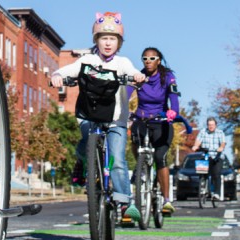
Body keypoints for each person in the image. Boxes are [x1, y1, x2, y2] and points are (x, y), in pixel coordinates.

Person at [51, 13, 146, 225]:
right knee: (85, 144)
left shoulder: (122, 63)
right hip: (89, 116)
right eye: (103, 38)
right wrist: (57, 75)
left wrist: (137, 76)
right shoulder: (87, 60)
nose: (108, 43)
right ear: (96, 40)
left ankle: (124, 202)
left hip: (115, 121)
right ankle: (83, 162)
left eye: (112, 39)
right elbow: (68, 70)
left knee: (118, 161)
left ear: (119, 42)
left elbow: (131, 72)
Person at [127, 46, 181, 214]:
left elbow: (173, 97)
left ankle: (166, 200)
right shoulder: (139, 77)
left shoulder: (167, 77)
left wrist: (174, 111)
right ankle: (141, 166)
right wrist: (122, 110)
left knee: (159, 157)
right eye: (145, 58)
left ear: (158, 61)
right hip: (142, 118)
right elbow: (126, 94)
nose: (148, 62)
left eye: (152, 59)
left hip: (161, 121)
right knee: (135, 139)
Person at [191, 117, 228, 199]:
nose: (211, 126)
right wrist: (195, 146)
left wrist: (221, 148)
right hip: (206, 155)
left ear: (215, 125)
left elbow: (223, 143)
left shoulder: (220, 132)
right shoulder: (203, 132)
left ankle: (217, 193)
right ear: (207, 125)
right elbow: (198, 141)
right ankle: (203, 187)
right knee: (202, 171)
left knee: (216, 174)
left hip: (216, 156)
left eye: (212, 125)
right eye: (209, 125)